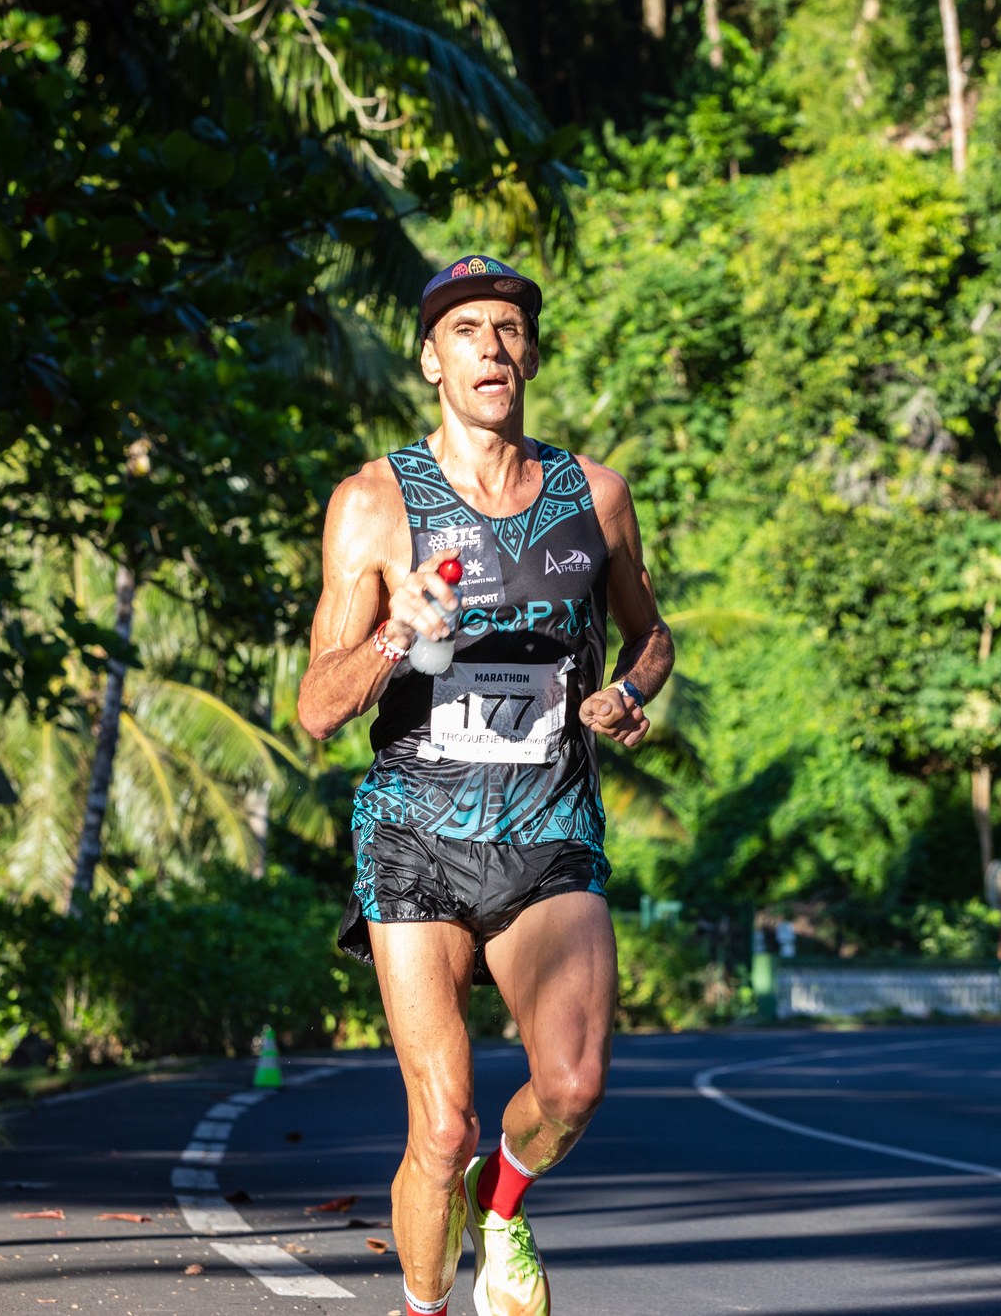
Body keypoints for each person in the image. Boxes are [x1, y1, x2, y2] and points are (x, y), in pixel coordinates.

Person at [295, 255, 674, 1316]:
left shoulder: (592, 495)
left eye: (508, 329)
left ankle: (499, 1207)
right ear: (431, 360)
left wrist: (628, 692)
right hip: (415, 832)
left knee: (571, 1087)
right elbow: (318, 708)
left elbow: (651, 636)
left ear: (532, 354)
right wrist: (391, 637)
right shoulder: (373, 504)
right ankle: (424, 1307)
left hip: (549, 822)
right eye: (467, 331)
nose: (492, 346)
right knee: (443, 1119)